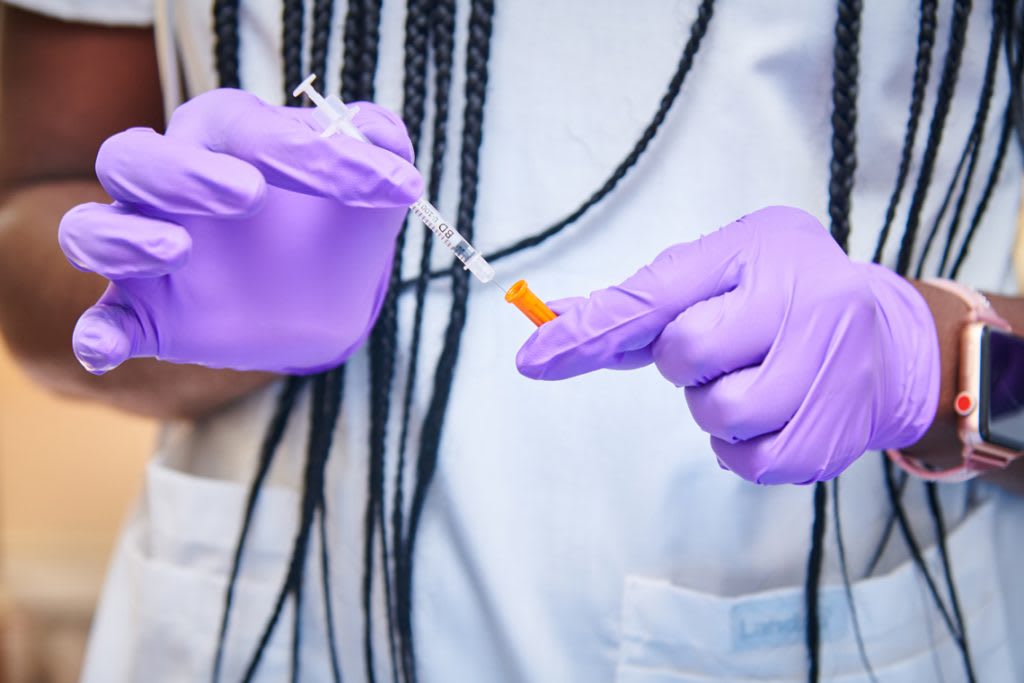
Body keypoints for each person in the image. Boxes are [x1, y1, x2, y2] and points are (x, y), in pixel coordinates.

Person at [0, 0, 1022, 681]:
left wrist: (952, 364)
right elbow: (28, 211)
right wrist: (180, 283)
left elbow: (969, 371)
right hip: (271, 634)